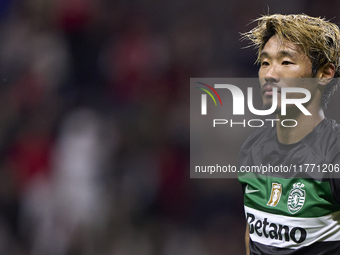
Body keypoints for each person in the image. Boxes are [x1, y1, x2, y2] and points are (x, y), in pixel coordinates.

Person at [238, 14, 340, 255]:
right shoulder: (252, 148)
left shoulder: (334, 154)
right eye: (265, 63)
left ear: (324, 74)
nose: (271, 74)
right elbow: (253, 233)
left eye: (285, 62)